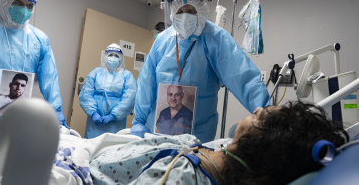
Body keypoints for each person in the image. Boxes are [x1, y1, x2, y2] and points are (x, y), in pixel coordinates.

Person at [131, 0, 270, 142]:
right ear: (172, 13)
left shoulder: (216, 38)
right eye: (180, 11)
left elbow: (243, 78)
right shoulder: (162, 40)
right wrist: (138, 121)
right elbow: (147, 82)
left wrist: (267, 114)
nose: (185, 17)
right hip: (156, 128)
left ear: (201, 9)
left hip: (197, 134)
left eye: (190, 11)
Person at [88, 101, 348, 184]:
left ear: (260, 145)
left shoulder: (181, 177)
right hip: (98, 155)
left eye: (259, 116)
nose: (256, 108)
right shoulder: (209, 148)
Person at [0, 0, 68, 127]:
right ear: (5, 1)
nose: (24, 9)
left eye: (29, 5)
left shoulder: (40, 39)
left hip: (17, 118)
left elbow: (50, 78)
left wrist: (56, 110)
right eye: (18, 3)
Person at [79, 43, 137, 138]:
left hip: (116, 122)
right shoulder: (95, 73)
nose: (113, 58)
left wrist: (114, 115)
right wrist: (93, 113)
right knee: (92, 145)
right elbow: (86, 94)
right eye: (110, 55)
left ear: (121, 58)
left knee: (112, 145)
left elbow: (130, 98)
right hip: (95, 120)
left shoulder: (127, 76)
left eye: (116, 56)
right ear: (105, 56)